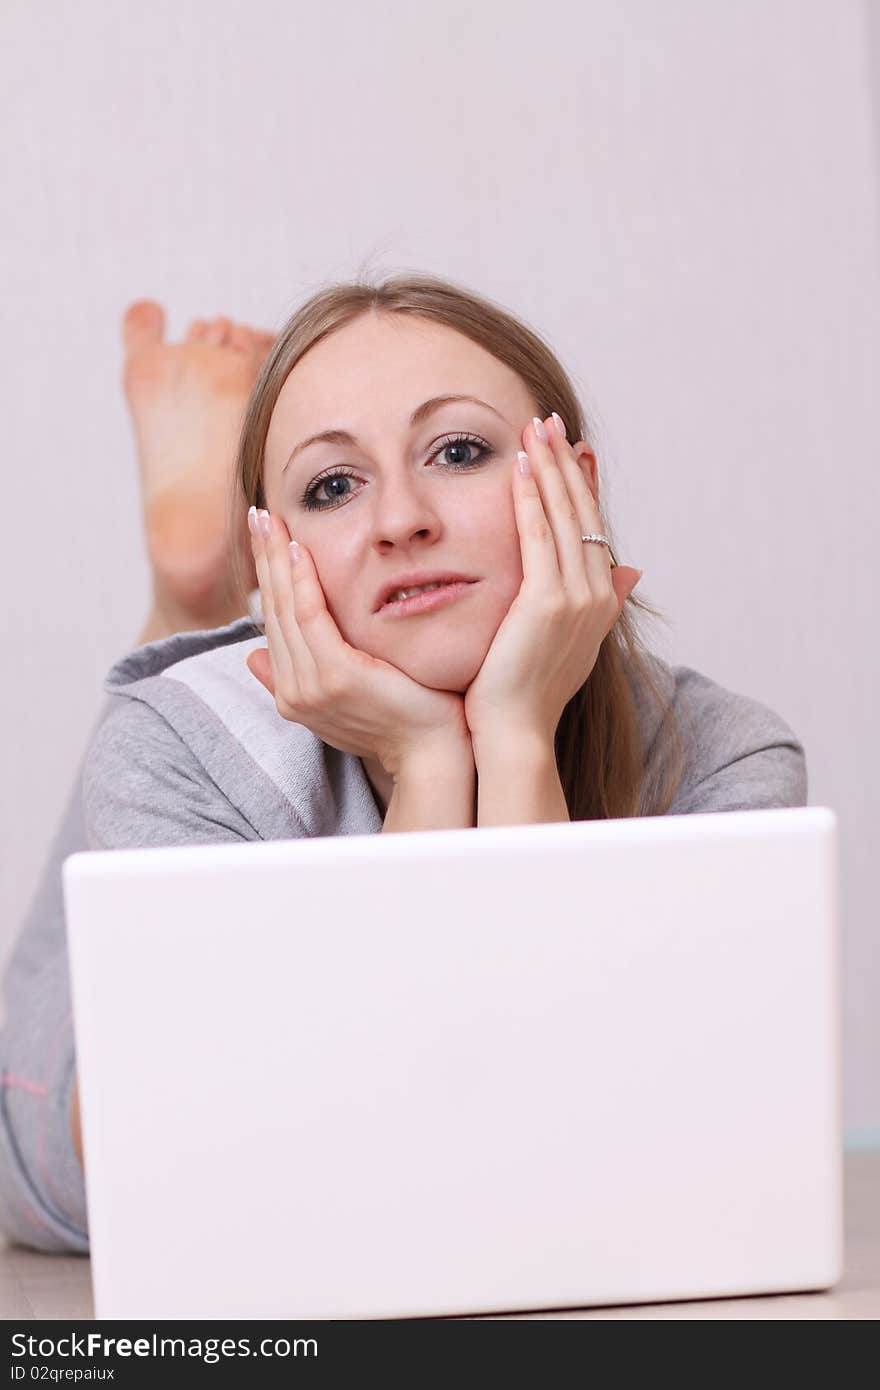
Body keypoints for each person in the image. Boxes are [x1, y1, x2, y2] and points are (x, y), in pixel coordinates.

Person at [0, 273, 808, 1254]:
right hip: (101, 1111)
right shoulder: (177, 740)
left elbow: (577, 1168)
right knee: (166, 720)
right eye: (331, 485)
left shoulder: (722, 760)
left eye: (458, 450)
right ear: (278, 566)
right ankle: (193, 602)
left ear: (575, 489)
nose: (399, 522)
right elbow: (288, 1204)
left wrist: (506, 738)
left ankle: (193, 594)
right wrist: (428, 760)